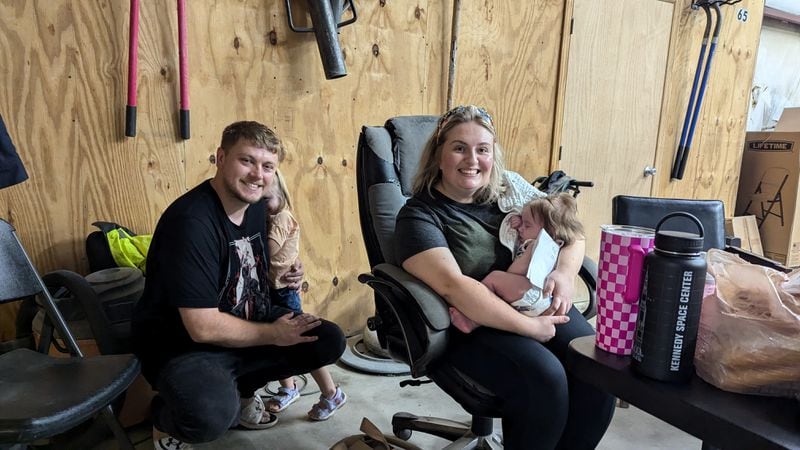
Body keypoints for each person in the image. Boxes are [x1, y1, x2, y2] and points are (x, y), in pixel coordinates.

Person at [393, 105, 615, 449]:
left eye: (483, 149)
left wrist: (565, 272)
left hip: (530, 299)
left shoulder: (510, 190)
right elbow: (455, 286)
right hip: (469, 323)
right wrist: (530, 328)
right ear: (438, 156)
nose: (472, 159)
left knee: (595, 369)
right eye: (459, 148)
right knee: (545, 379)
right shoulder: (419, 216)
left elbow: (571, 232)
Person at [132, 121, 346, 449]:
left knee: (327, 339)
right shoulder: (191, 223)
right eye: (246, 160)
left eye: (267, 166)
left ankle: (245, 390)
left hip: (244, 319)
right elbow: (202, 328)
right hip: (184, 347)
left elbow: (249, 271)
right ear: (220, 158)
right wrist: (275, 334)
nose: (256, 174)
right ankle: (164, 418)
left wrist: (286, 273)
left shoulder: (256, 205)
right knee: (209, 417)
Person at [261, 170, 347, 420]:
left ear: (281, 196)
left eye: (267, 200)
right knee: (276, 339)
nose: (262, 206)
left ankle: (332, 393)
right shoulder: (269, 217)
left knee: (302, 340)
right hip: (271, 289)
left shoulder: (281, 218)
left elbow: (268, 251)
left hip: (284, 291)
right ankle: (289, 388)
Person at [449, 192, 584, 333]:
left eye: (527, 225)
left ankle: (471, 319)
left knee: (494, 278)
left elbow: (515, 271)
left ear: (549, 231)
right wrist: (522, 222)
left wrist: (506, 280)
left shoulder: (534, 246)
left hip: (534, 295)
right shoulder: (556, 245)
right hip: (546, 299)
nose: (520, 229)